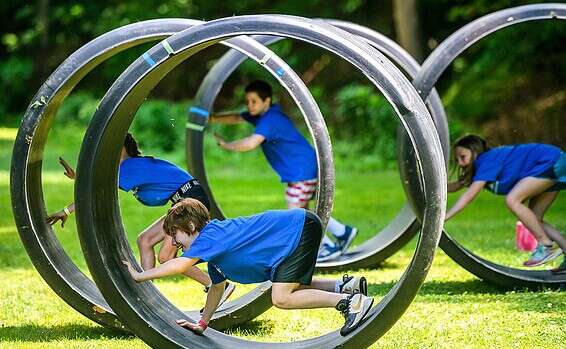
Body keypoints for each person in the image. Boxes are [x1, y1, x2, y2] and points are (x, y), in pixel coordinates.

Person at [123, 198, 374, 336]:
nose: (175, 244)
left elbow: (178, 265)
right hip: (292, 237)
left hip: (296, 230)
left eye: (175, 235)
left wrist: (141, 275)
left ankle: (350, 303)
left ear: (190, 228)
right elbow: (216, 289)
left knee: (282, 298)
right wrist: (202, 323)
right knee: (286, 286)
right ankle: (346, 286)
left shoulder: (210, 236)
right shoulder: (216, 256)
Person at [46, 133, 236, 303]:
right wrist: (78, 178)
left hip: (190, 201)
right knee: (145, 240)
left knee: (166, 257)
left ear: (119, 148)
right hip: (183, 201)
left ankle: (218, 285)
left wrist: (66, 210)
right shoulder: (131, 167)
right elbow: (99, 184)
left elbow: (96, 191)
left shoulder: (129, 167)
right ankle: (147, 294)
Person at [209, 79, 357, 262]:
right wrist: (212, 118)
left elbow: (251, 143)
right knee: (303, 210)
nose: (249, 105)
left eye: (254, 101)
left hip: (302, 170)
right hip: (304, 167)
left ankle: (326, 246)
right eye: (247, 101)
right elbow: (238, 117)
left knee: (295, 212)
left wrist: (227, 145)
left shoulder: (270, 120)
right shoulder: (264, 115)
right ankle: (342, 232)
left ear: (267, 101)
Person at [446, 134, 566, 273]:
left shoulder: (486, 160)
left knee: (512, 200)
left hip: (549, 160)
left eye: (463, 157)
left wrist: (445, 216)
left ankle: (546, 246)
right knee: (534, 217)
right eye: (457, 159)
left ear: (475, 151)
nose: (460, 163)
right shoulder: (484, 166)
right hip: (556, 161)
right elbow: (455, 186)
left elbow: (469, 196)